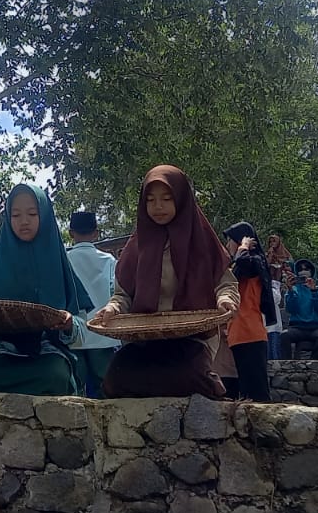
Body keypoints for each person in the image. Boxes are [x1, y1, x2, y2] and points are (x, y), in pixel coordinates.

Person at [92, 166, 238, 400]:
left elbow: (225, 283)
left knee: (187, 376)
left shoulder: (202, 241)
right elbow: (122, 295)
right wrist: (113, 308)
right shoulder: (137, 246)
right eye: (150, 200)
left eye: (166, 199)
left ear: (181, 199)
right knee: (116, 379)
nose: (158, 206)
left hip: (193, 336)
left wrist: (225, 300)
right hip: (144, 338)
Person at [0, 185, 88, 396]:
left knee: (55, 375)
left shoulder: (58, 262)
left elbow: (80, 328)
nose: (24, 221)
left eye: (32, 214)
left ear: (44, 215)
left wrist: (69, 324)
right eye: (16, 215)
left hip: (44, 351)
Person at [66, 210, 118, 397]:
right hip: (102, 333)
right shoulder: (109, 261)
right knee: (105, 390)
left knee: (75, 391)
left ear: (71, 233)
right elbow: (117, 293)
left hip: (74, 333)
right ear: (96, 233)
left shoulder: (65, 259)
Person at [221, 222, 274, 402]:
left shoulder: (254, 262)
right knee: (245, 395)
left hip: (250, 333)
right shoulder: (237, 268)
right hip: (238, 334)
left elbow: (243, 262)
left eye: (230, 240)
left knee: (258, 394)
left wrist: (243, 247)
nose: (227, 245)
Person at [282, 260, 318, 360]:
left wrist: (314, 291)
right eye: (300, 269)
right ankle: (287, 363)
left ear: (312, 271)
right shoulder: (293, 290)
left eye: (306, 269)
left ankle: (314, 362)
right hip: (297, 328)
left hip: (316, 328)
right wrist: (290, 290)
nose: (303, 271)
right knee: (284, 336)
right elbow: (290, 309)